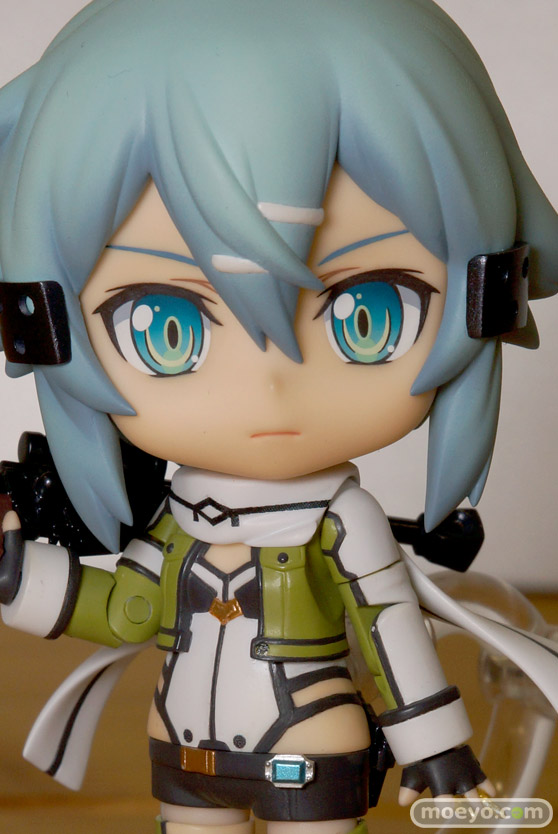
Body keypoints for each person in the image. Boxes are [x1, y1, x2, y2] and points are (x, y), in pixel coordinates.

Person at [0, 2, 557, 833]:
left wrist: (434, 743)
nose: (270, 385)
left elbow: (387, 627)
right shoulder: (181, 519)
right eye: (165, 327)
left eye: (368, 314)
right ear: (41, 324)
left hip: (311, 745)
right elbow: (128, 609)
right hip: (184, 753)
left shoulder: (339, 524)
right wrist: (19, 577)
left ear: (488, 294)